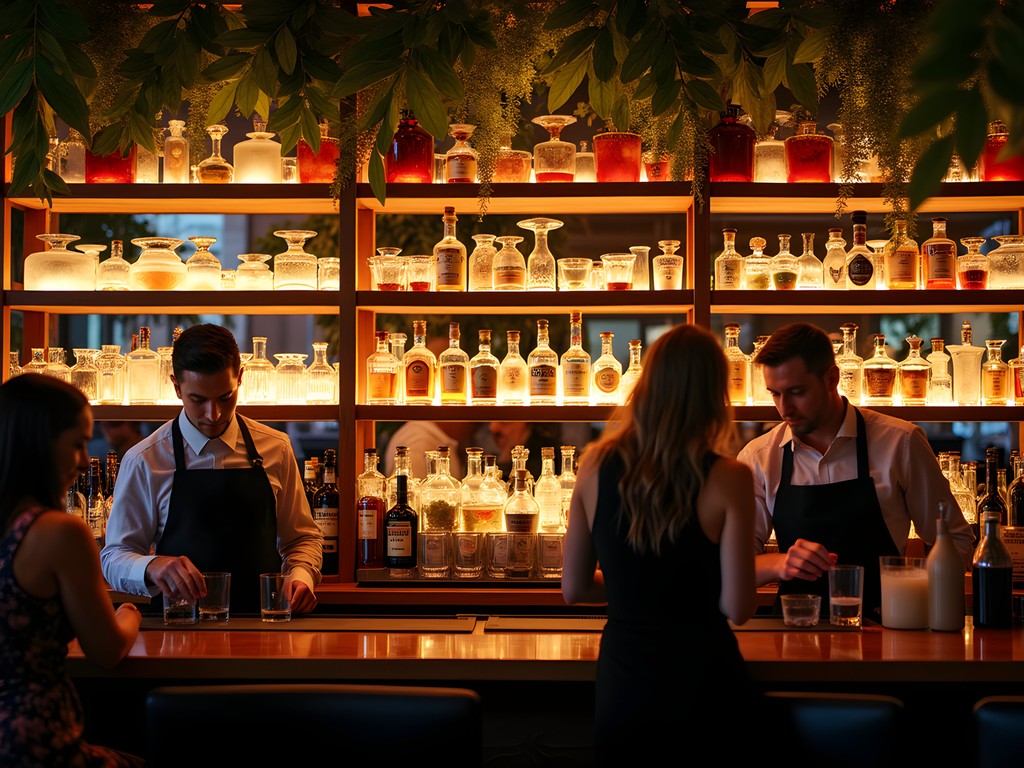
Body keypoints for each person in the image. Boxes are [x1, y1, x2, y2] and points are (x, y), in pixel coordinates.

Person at [562, 324, 759, 765]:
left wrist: (637, 590)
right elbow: (739, 607)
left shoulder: (594, 465)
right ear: (714, 394)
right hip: (703, 679)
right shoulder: (730, 476)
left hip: (625, 679)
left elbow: (574, 588)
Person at [737, 322, 974, 619]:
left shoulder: (900, 442)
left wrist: (914, 596)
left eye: (797, 392)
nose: (785, 409)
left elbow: (955, 540)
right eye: (775, 393)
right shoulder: (760, 457)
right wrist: (780, 563)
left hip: (887, 632)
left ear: (831, 378)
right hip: (794, 634)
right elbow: (734, 566)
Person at [101, 324, 323, 615]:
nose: (213, 414)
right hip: (177, 631)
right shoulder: (145, 459)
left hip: (264, 627)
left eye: (224, 397)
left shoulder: (276, 448)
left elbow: (301, 538)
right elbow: (114, 557)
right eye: (198, 400)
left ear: (240, 379)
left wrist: (301, 577)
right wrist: (152, 565)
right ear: (177, 387)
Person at [0, 373, 143, 767]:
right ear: (39, 446)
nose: (84, 461)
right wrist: (129, 614)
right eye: (78, 444)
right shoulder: (59, 531)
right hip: (35, 742)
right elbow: (107, 650)